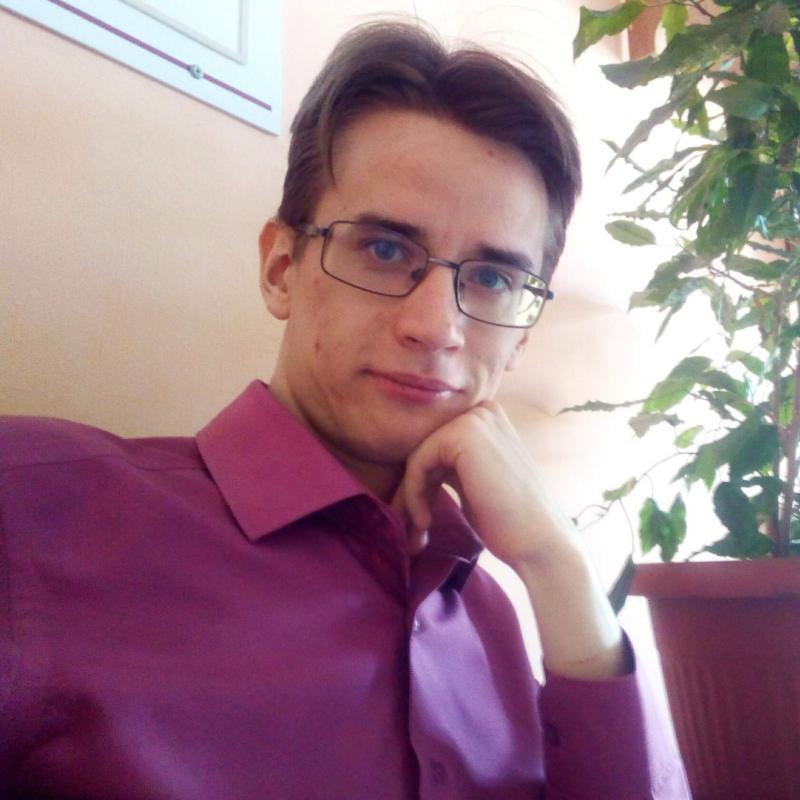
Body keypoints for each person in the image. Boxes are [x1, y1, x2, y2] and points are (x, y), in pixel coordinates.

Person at [0, 21, 689, 800]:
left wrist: (558, 565)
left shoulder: (497, 614)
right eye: (386, 250)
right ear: (281, 269)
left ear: (522, 336)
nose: (436, 326)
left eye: (493, 279)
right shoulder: (34, 514)